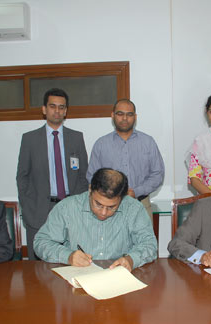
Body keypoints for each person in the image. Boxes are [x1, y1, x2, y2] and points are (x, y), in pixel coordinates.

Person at [34, 168, 157, 271]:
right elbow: (41, 242)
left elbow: (149, 244)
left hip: (118, 278)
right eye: (98, 204)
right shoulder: (67, 208)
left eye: (111, 207)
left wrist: (131, 259)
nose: (103, 212)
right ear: (90, 190)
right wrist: (68, 256)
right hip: (77, 279)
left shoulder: (134, 209)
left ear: (122, 198)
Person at [16, 88, 89, 260]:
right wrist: (28, 209)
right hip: (40, 210)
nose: (57, 111)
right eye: (52, 106)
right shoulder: (30, 139)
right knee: (39, 266)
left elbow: (83, 175)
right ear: (44, 109)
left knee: (71, 260)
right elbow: (22, 177)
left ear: (66, 111)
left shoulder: (76, 138)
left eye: (61, 107)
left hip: (71, 208)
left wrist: (79, 204)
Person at [86, 98, 164, 222]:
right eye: (120, 114)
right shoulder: (101, 144)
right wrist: (109, 194)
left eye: (129, 114)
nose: (124, 118)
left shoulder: (148, 142)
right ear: (112, 115)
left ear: (135, 117)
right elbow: (92, 176)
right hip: (109, 208)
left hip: (141, 205)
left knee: (144, 241)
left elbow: (158, 174)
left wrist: (136, 192)